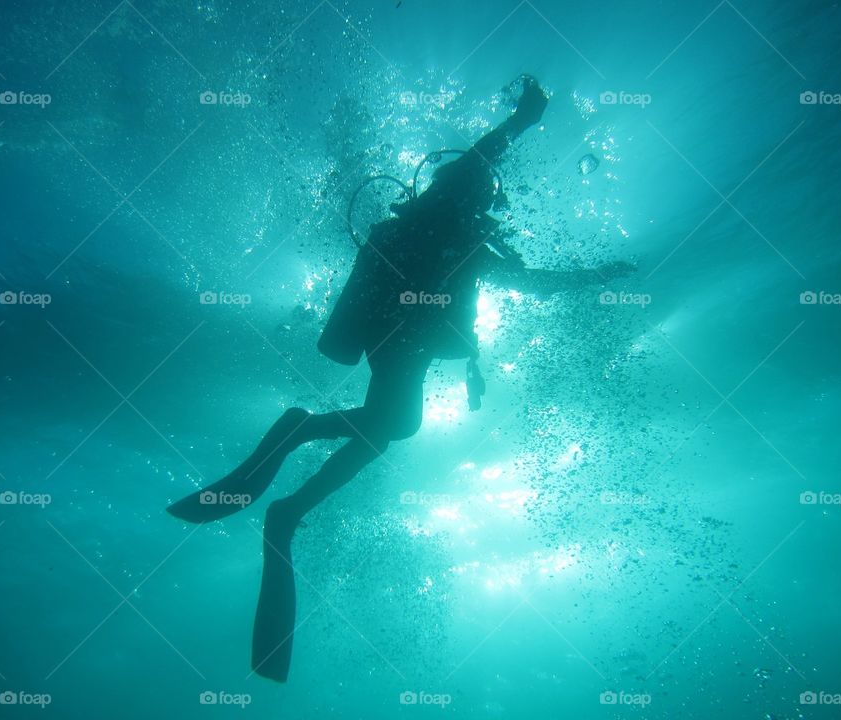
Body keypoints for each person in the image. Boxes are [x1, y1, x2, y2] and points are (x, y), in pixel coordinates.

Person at [168, 76, 634, 681]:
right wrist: (523, 120)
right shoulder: (451, 214)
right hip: (394, 328)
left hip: (400, 334)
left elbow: (532, 281)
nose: (488, 204)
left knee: (387, 430)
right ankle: (296, 449)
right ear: (469, 193)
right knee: (396, 424)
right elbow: (481, 163)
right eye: (484, 196)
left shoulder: (463, 235)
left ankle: (291, 506)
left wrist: (595, 278)